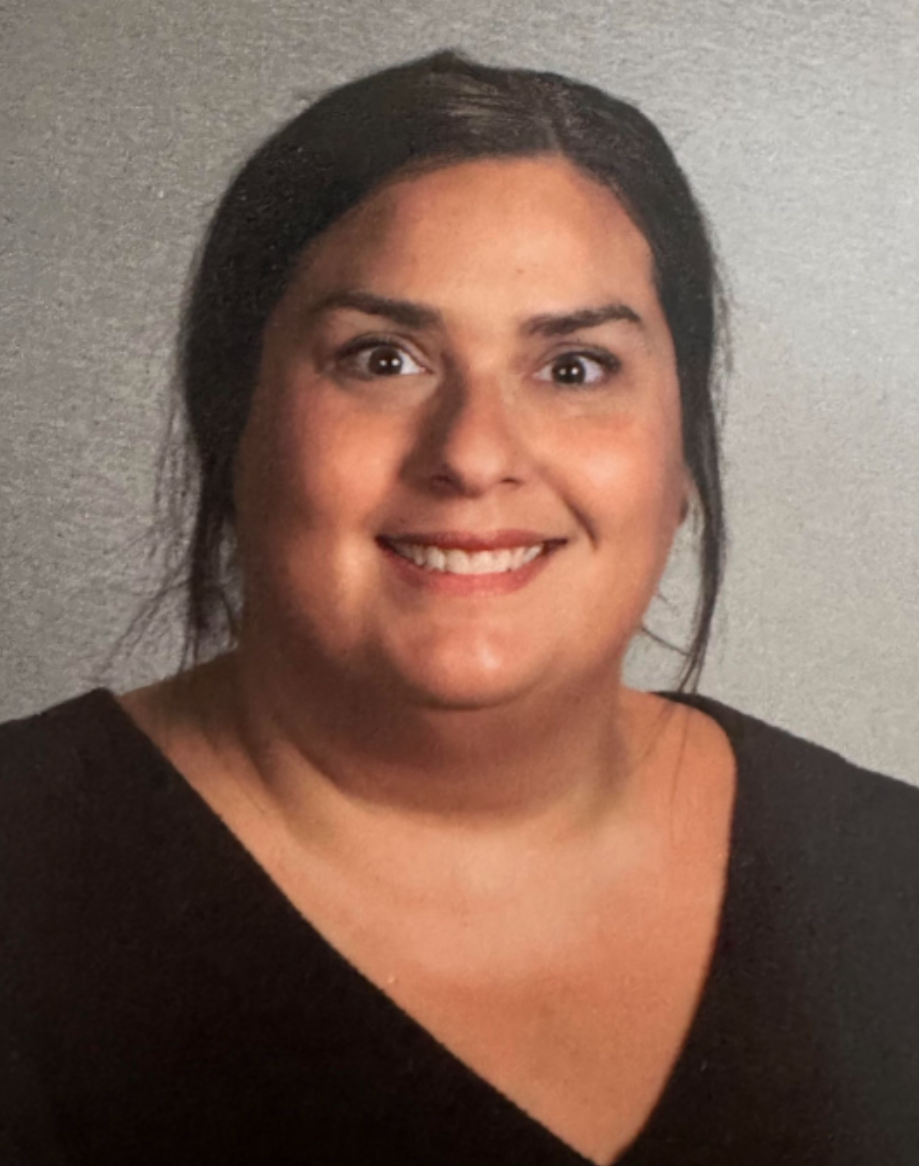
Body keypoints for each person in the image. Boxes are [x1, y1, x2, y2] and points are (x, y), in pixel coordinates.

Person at [0, 49, 915, 1166]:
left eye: (574, 368)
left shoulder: (892, 879)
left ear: (681, 458)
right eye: (381, 359)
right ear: (231, 423)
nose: (473, 456)